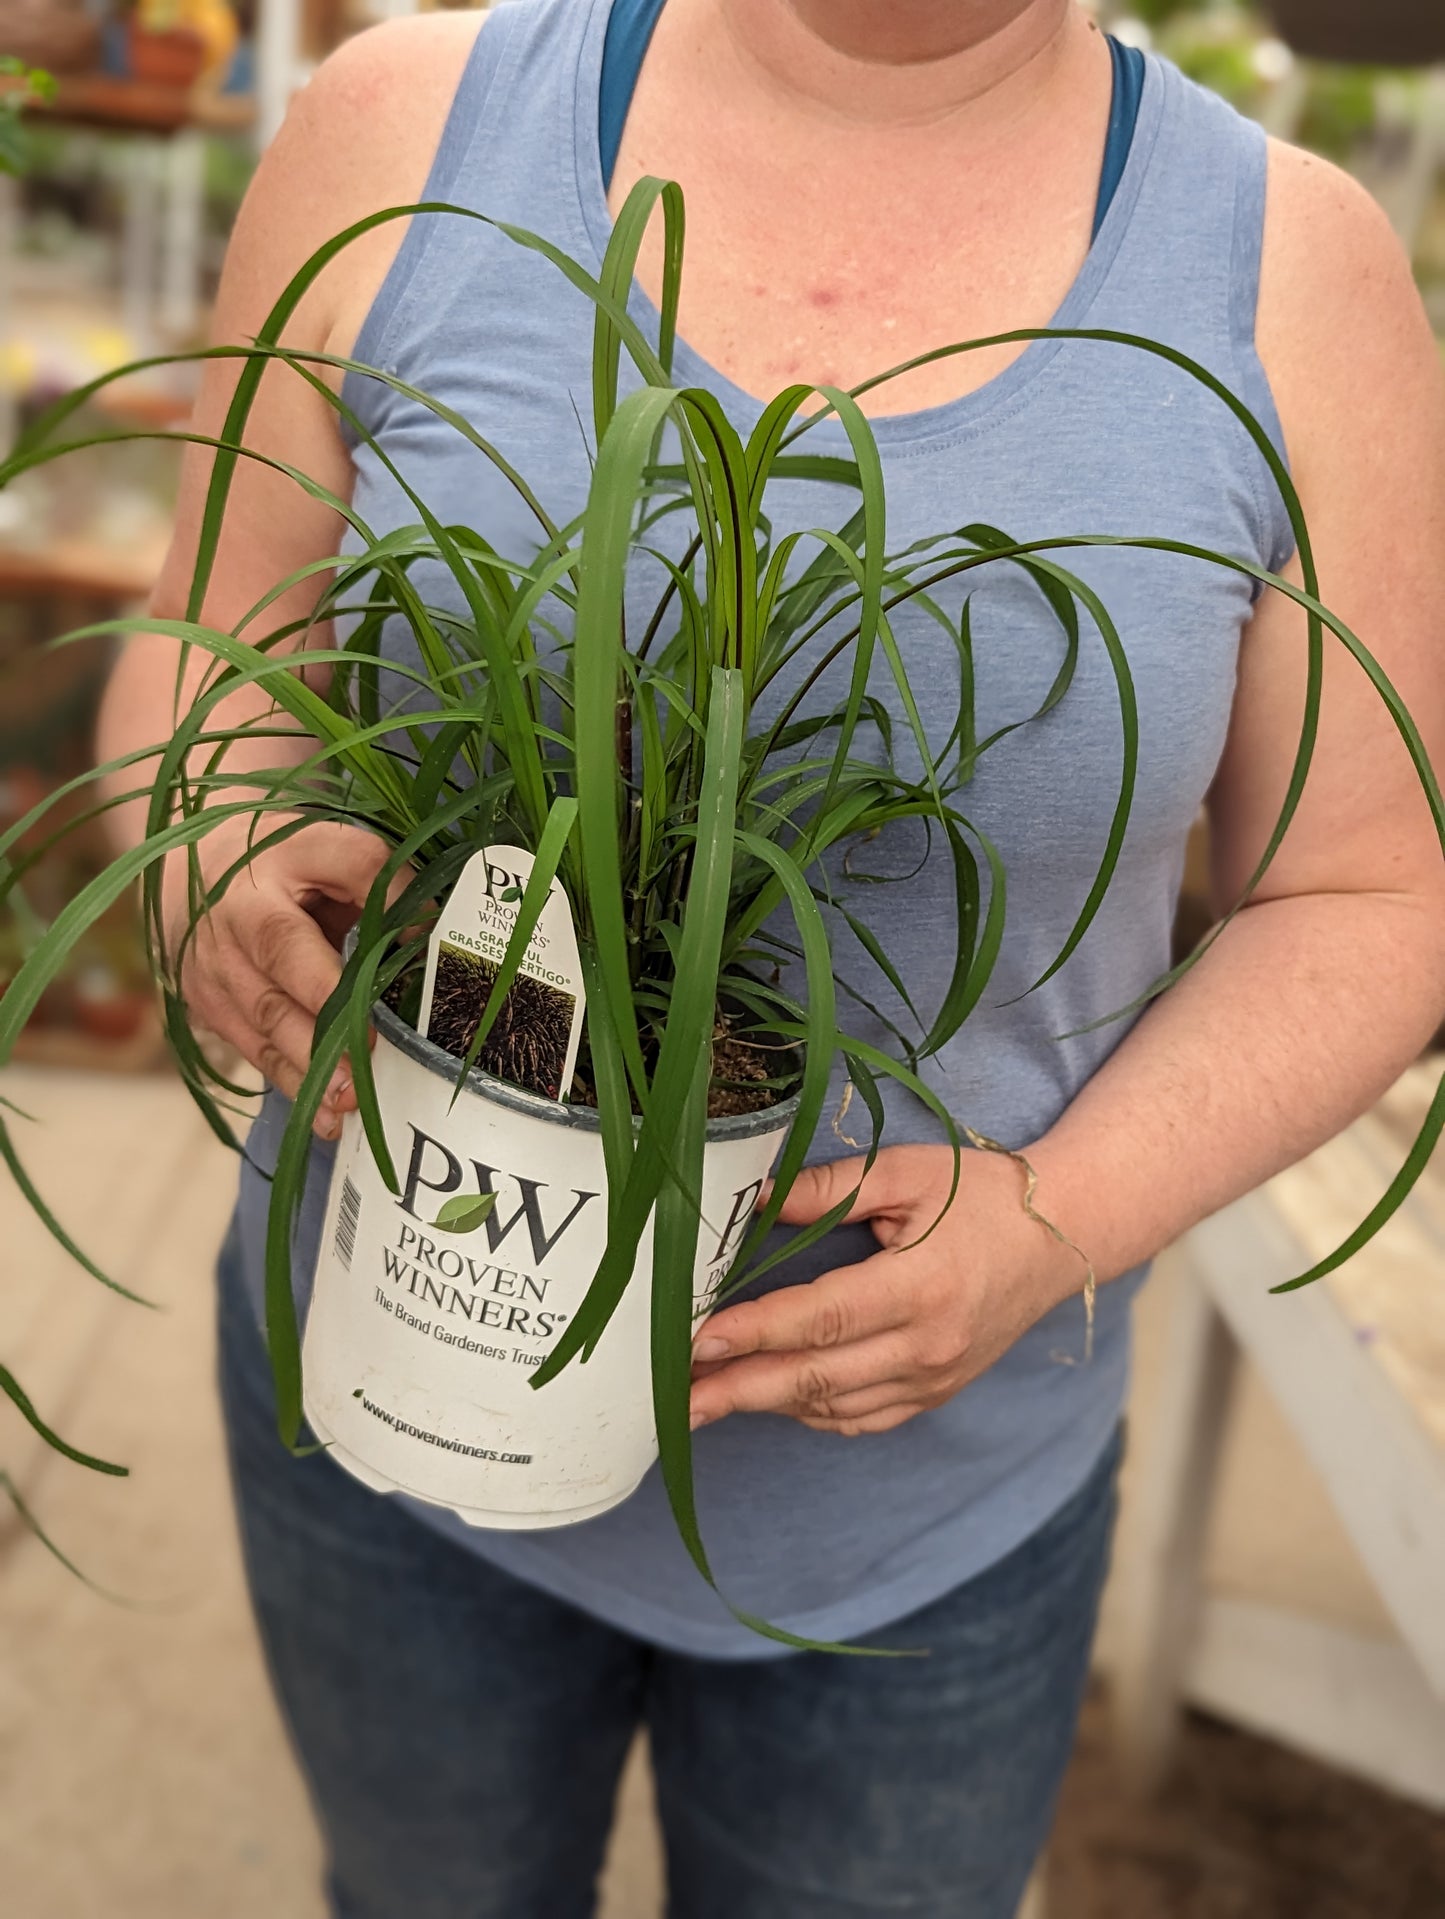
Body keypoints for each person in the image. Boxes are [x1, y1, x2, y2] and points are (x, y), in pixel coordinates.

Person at [97, 2, 1445, 1914]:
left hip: (920, 1511)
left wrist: (1057, 1217)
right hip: (391, 1368)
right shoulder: (407, 121)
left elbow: (1368, 894)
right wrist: (214, 852)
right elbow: (211, 658)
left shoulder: (1290, 269)